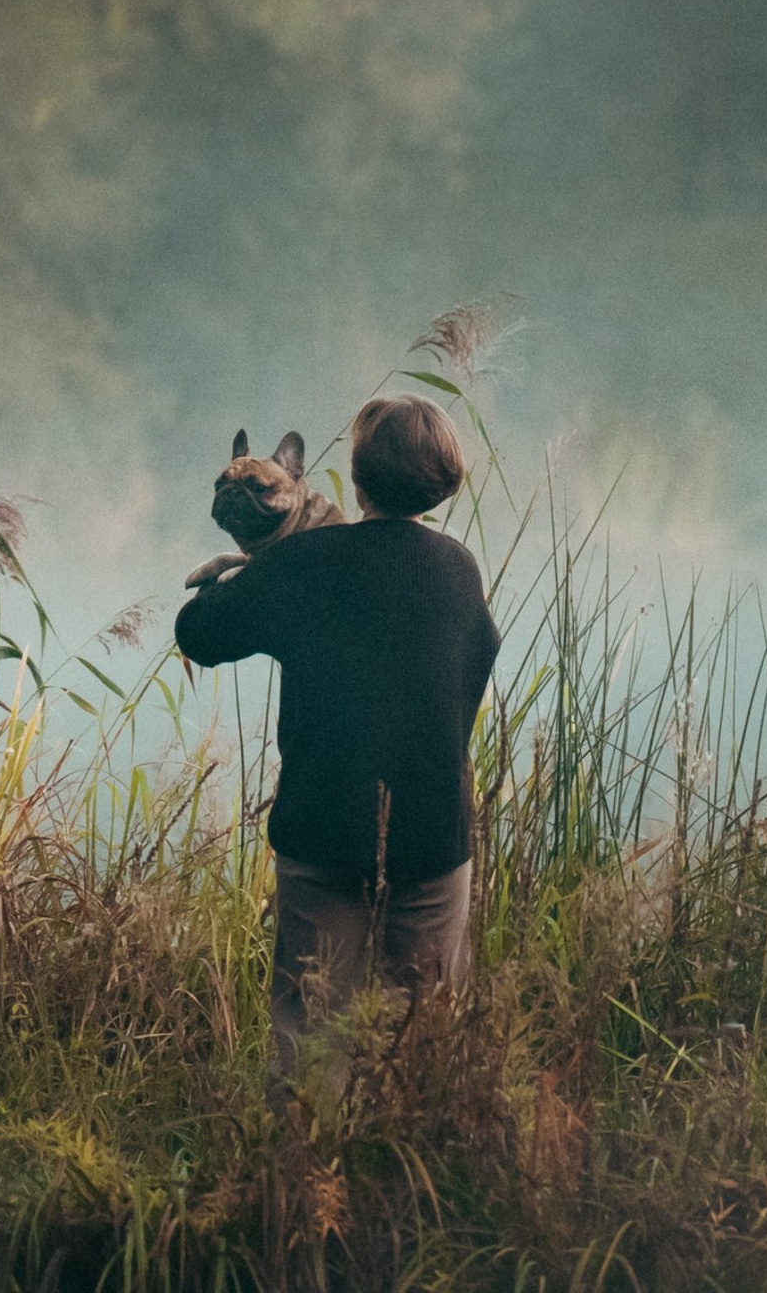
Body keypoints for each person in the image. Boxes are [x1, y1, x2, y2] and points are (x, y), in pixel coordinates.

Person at [174, 392, 500, 1072]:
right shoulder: (459, 569)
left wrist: (230, 581)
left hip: (322, 830)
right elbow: (481, 655)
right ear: (440, 480)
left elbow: (198, 637)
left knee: (309, 1031)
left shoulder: (304, 563)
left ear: (353, 477)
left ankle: (301, 1170)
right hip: (431, 832)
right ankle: (407, 1162)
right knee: (421, 1031)